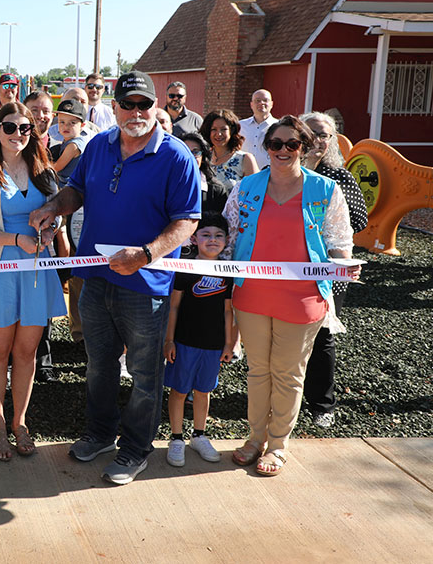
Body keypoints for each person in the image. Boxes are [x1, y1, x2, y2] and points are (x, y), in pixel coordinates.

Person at [29, 70, 201, 485]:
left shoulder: (175, 155)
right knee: (99, 365)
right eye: (129, 104)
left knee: (144, 374)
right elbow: (78, 190)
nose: (137, 112)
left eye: (145, 104)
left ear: (155, 106)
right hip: (96, 278)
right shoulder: (98, 147)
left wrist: (145, 254)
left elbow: (188, 221)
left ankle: (136, 448)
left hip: (146, 286)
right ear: (115, 106)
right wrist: (55, 206)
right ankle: (102, 434)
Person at [224, 115, 359, 476]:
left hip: (302, 299)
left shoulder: (326, 190)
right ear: (265, 147)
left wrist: (344, 264)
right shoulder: (246, 188)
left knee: (288, 373)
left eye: (291, 144)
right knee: (258, 371)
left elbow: (340, 242)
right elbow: (230, 237)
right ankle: (255, 439)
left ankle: (278, 445)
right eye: (275, 144)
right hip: (251, 295)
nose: (282, 150)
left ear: (305, 146)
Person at [0, 101, 66, 461]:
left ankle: (20, 422)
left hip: (36, 268)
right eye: (10, 127)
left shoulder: (44, 171)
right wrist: (17, 240)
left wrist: (51, 228)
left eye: (25, 128)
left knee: (27, 352)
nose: (17, 134)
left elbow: (56, 215)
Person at [301, 111, 368, 428]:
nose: (318, 139)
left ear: (332, 141)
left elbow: (358, 220)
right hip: (288, 268)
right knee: (284, 335)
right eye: (312, 132)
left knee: (323, 337)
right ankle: (287, 398)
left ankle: (321, 404)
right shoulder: (286, 172)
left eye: (324, 134)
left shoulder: (340, 178)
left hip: (327, 272)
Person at [163, 212, 237, 467]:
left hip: (213, 345)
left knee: (203, 391)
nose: (212, 240)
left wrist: (229, 344)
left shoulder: (228, 271)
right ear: (194, 238)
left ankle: (199, 435)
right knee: (179, 391)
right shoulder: (184, 267)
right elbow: (173, 307)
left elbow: (229, 310)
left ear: (227, 240)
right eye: (206, 235)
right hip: (184, 342)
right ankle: (175, 438)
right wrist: (169, 340)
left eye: (218, 235)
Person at [200, 108, 258, 190]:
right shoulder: (202, 158)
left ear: (232, 131)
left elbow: (255, 192)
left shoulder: (245, 159)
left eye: (223, 129)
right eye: (214, 129)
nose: (219, 134)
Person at [181, 132, 229, 214]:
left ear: (203, 157)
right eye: (185, 152)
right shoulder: (166, 184)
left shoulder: (216, 189)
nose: (190, 157)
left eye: (195, 152)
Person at [50, 99, 89, 187]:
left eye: (72, 123)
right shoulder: (68, 141)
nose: (66, 126)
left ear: (82, 125)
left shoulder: (73, 145)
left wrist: (41, 163)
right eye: (62, 122)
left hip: (69, 187)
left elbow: (56, 167)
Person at [239, 89, 278, 171]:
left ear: (271, 104)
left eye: (265, 100)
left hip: (269, 175)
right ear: (251, 105)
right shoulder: (240, 126)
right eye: (258, 100)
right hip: (244, 175)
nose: (261, 103)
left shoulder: (279, 126)